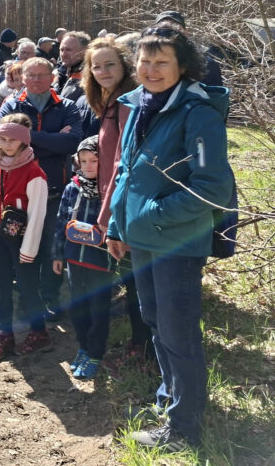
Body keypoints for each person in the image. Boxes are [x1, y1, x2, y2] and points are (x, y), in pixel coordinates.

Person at [107, 28, 235, 451]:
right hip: (143, 238)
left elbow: (211, 188)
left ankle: (184, 430)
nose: (151, 70)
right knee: (156, 320)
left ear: (183, 66)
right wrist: (116, 226)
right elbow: (125, 172)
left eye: (161, 62)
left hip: (176, 242)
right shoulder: (138, 104)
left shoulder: (197, 112)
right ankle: (172, 400)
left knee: (178, 332)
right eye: (144, 61)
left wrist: (151, 217)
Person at [77, 36, 151, 364]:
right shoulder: (108, 102)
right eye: (97, 66)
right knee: (131, 279)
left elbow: (125, 163)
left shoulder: (127, 103)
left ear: (125, 65)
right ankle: (141, 341)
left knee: (136, 283)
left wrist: (108, 215)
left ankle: (143, 346)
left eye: (110, 64)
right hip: (116, 203)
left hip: (126, 207)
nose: (103, 71)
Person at [0, 56, 83, 321]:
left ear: (53, 77)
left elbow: (72, 143)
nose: (36, 80)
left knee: (50, 246)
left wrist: (25, 137)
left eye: (41, 75)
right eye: (30, 75)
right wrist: (52, 140)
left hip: (55, 190)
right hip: (18, 192)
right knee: (22, 246)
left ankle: (50, 297)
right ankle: (27, 297)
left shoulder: (67, 106)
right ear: (22, 78)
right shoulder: (12, 104)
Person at [0, 113, 51, 359]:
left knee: (28, 287)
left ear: (23, 141)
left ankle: (39, 333)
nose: (6, 144)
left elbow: (37, 215)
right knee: (2, 286)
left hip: (22, 242)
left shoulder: (35, 174)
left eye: (12, 140)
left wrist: (28, 250)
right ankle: (4, 334)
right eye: (2, 138)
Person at [52, 136, 111, 381]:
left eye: (94, 160)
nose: (88, 166)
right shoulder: (72, 187)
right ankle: (83, 347)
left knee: (99, 309)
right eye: (83, 160)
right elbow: (61, 222)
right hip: (74, 259)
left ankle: (96, 352)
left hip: (100, 261)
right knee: (78, 306)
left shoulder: (109, 190)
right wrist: (58, 253)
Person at [55, 31, 90, 101]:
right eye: (61, 50)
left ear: (84, 51)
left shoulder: (91, 77)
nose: (63, 54)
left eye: (68, 50)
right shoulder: (59, 73)